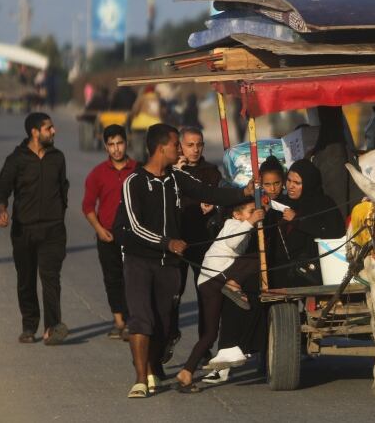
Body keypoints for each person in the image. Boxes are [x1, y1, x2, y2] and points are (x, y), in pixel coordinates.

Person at [112, 123, 253, 398]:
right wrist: (168, 242)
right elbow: (134, 226)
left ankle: (153, 367)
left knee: (164, 324)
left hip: (170, 265)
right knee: (141, 319)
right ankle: (141, 379)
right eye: (177, 145)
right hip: (140, 260)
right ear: (161, 147)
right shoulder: (134, 182)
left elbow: (211, 193)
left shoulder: (177, 179)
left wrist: (243, 194)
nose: (181, 150)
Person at [204, 156, 285, 382]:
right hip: (251, 267)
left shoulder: (284, 206)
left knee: (254, 297)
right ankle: (225, 357)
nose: (273, 189)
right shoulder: (255, 205)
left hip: (278, 268)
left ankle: (258, 354)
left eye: (277, 183)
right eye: (267, 184)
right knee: (233, 299)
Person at [0, 113, 70, 345]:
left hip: (53, 229)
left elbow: (63, 189)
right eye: (49, 128)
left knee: (50, 278)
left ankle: (52, 328)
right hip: (24, 230)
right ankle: (29, 325)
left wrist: (58, 213)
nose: (54, 131)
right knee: (26, 279)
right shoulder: (16, 159)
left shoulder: (58, 158)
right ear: (35, 132)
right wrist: (2, 210)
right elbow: (1, 188)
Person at [176, 201, 264, 393]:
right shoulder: (232, 225)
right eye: (250, 212)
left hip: (209, 283)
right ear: (237, 214)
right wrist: (251, 222)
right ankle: (233, 284)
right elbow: (233, 242)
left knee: (210, 334)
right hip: (215, 276)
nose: (255, 214)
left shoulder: (244, 228)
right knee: (258, 258)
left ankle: (186, 372)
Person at [167, 126, 223, 362]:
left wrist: (213, 205)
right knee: (172, 293)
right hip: (177, 241)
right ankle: (169, 335)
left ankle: (205, 343)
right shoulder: (170, 172)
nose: (195, 149)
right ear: (180, 146)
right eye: (190, 145)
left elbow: (220, 196)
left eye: (199, 144)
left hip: (203, 241)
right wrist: (176, 171)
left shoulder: (210, 171)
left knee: (205, 293)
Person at [82, 124, 137, 340]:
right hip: (108, 235)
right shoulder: (97, 174)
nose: (116, 149)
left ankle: (134, 320)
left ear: (127, 142)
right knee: (112, 278)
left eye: (120, 143)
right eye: (111, 145)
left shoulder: (138, 169)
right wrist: (99, 229)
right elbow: (87, 206)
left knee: (134, 278)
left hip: (134, 235)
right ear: (106, 147)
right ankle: (119, 321)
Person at [270, 159, 346, 288]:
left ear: (309, 183)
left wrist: (298, 220)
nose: (290, 186)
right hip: (285, 269)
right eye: (288, 180)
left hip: (313, 271)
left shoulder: (323, 204)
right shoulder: (282, 203)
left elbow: (335, 231)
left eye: (297, 183)